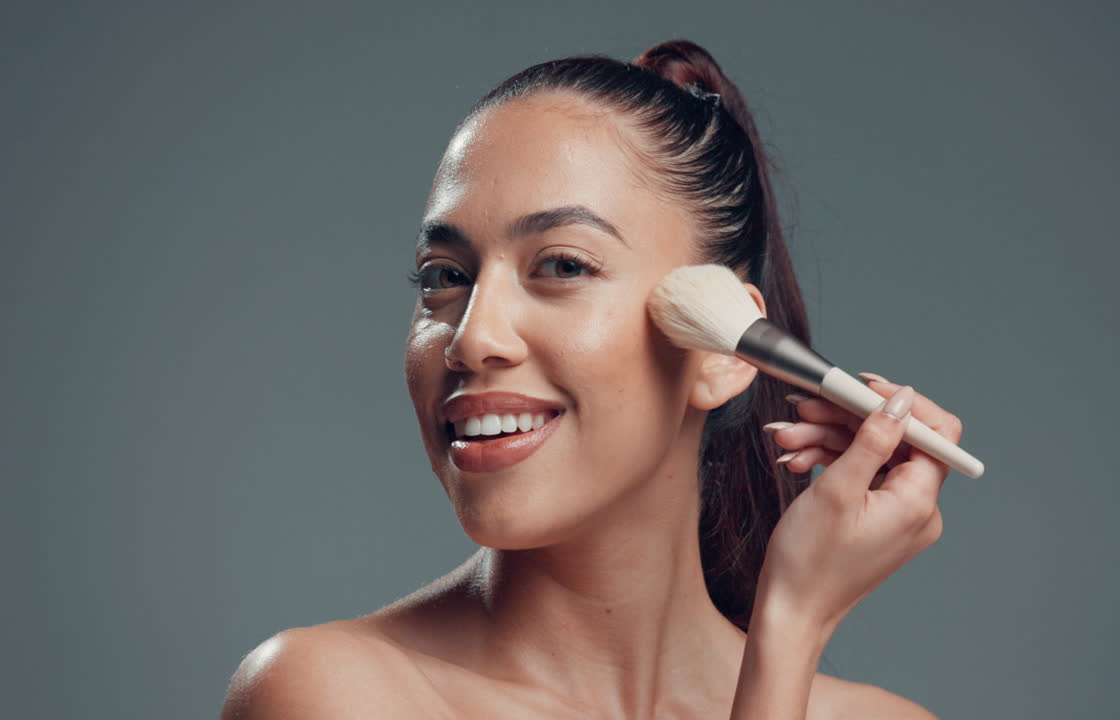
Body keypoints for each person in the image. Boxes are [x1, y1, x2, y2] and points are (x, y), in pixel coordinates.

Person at [221, 39, 960, 720]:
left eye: (563, 265)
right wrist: (790, 627)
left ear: (724, 349)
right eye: (444, 276)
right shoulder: (329, 692)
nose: (473, 338)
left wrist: (785, 636)